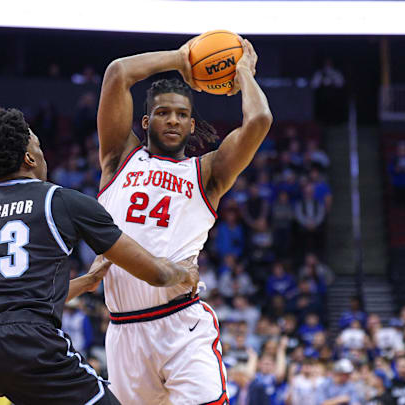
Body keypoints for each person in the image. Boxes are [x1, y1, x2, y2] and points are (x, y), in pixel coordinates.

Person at [0, 107, 197, 405]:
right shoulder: (60, 201)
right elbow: (156, 274)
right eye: (38, 147)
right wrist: (184, 272)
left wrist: (86, 282)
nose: (43, 154)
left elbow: (5, 298)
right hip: (27, 345)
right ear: (29, 159)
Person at [96, 33, 273, 404]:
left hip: (181, 322)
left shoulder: (207, 173)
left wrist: (242, 74)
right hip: (124, 330)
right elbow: (118, 73)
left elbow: (259, 119)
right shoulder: (118, 159)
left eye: (181, 114)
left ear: (192, 125)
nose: (172, 120)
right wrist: (181, 58)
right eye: (162, 113)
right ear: (145, 122)